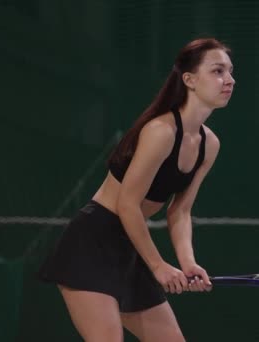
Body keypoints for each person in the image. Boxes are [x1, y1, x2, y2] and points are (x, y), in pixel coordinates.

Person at [39, 37, 235, 342]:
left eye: (230, 72)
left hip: (129, 245)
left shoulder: (209, 145)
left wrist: (187, 263)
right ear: (190, 80)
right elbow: (127, 205)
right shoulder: (161, 132)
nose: (229, 80)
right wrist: (158, 266)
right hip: (92, 242)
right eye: (218, 71)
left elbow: (180, 210)